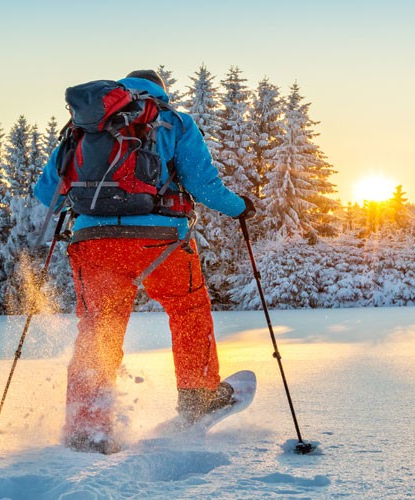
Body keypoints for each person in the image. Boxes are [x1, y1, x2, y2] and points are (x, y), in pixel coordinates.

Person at [32, 69, 252, 454]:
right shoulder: (173, 121)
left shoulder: (83, 127)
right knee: (187, 310)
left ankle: (88, 426)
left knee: (99, 328)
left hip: (92, 244)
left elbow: (46, 192)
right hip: (161, 242)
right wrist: (240, 208)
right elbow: (203, 187)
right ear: (159, 92)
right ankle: (198, 396)